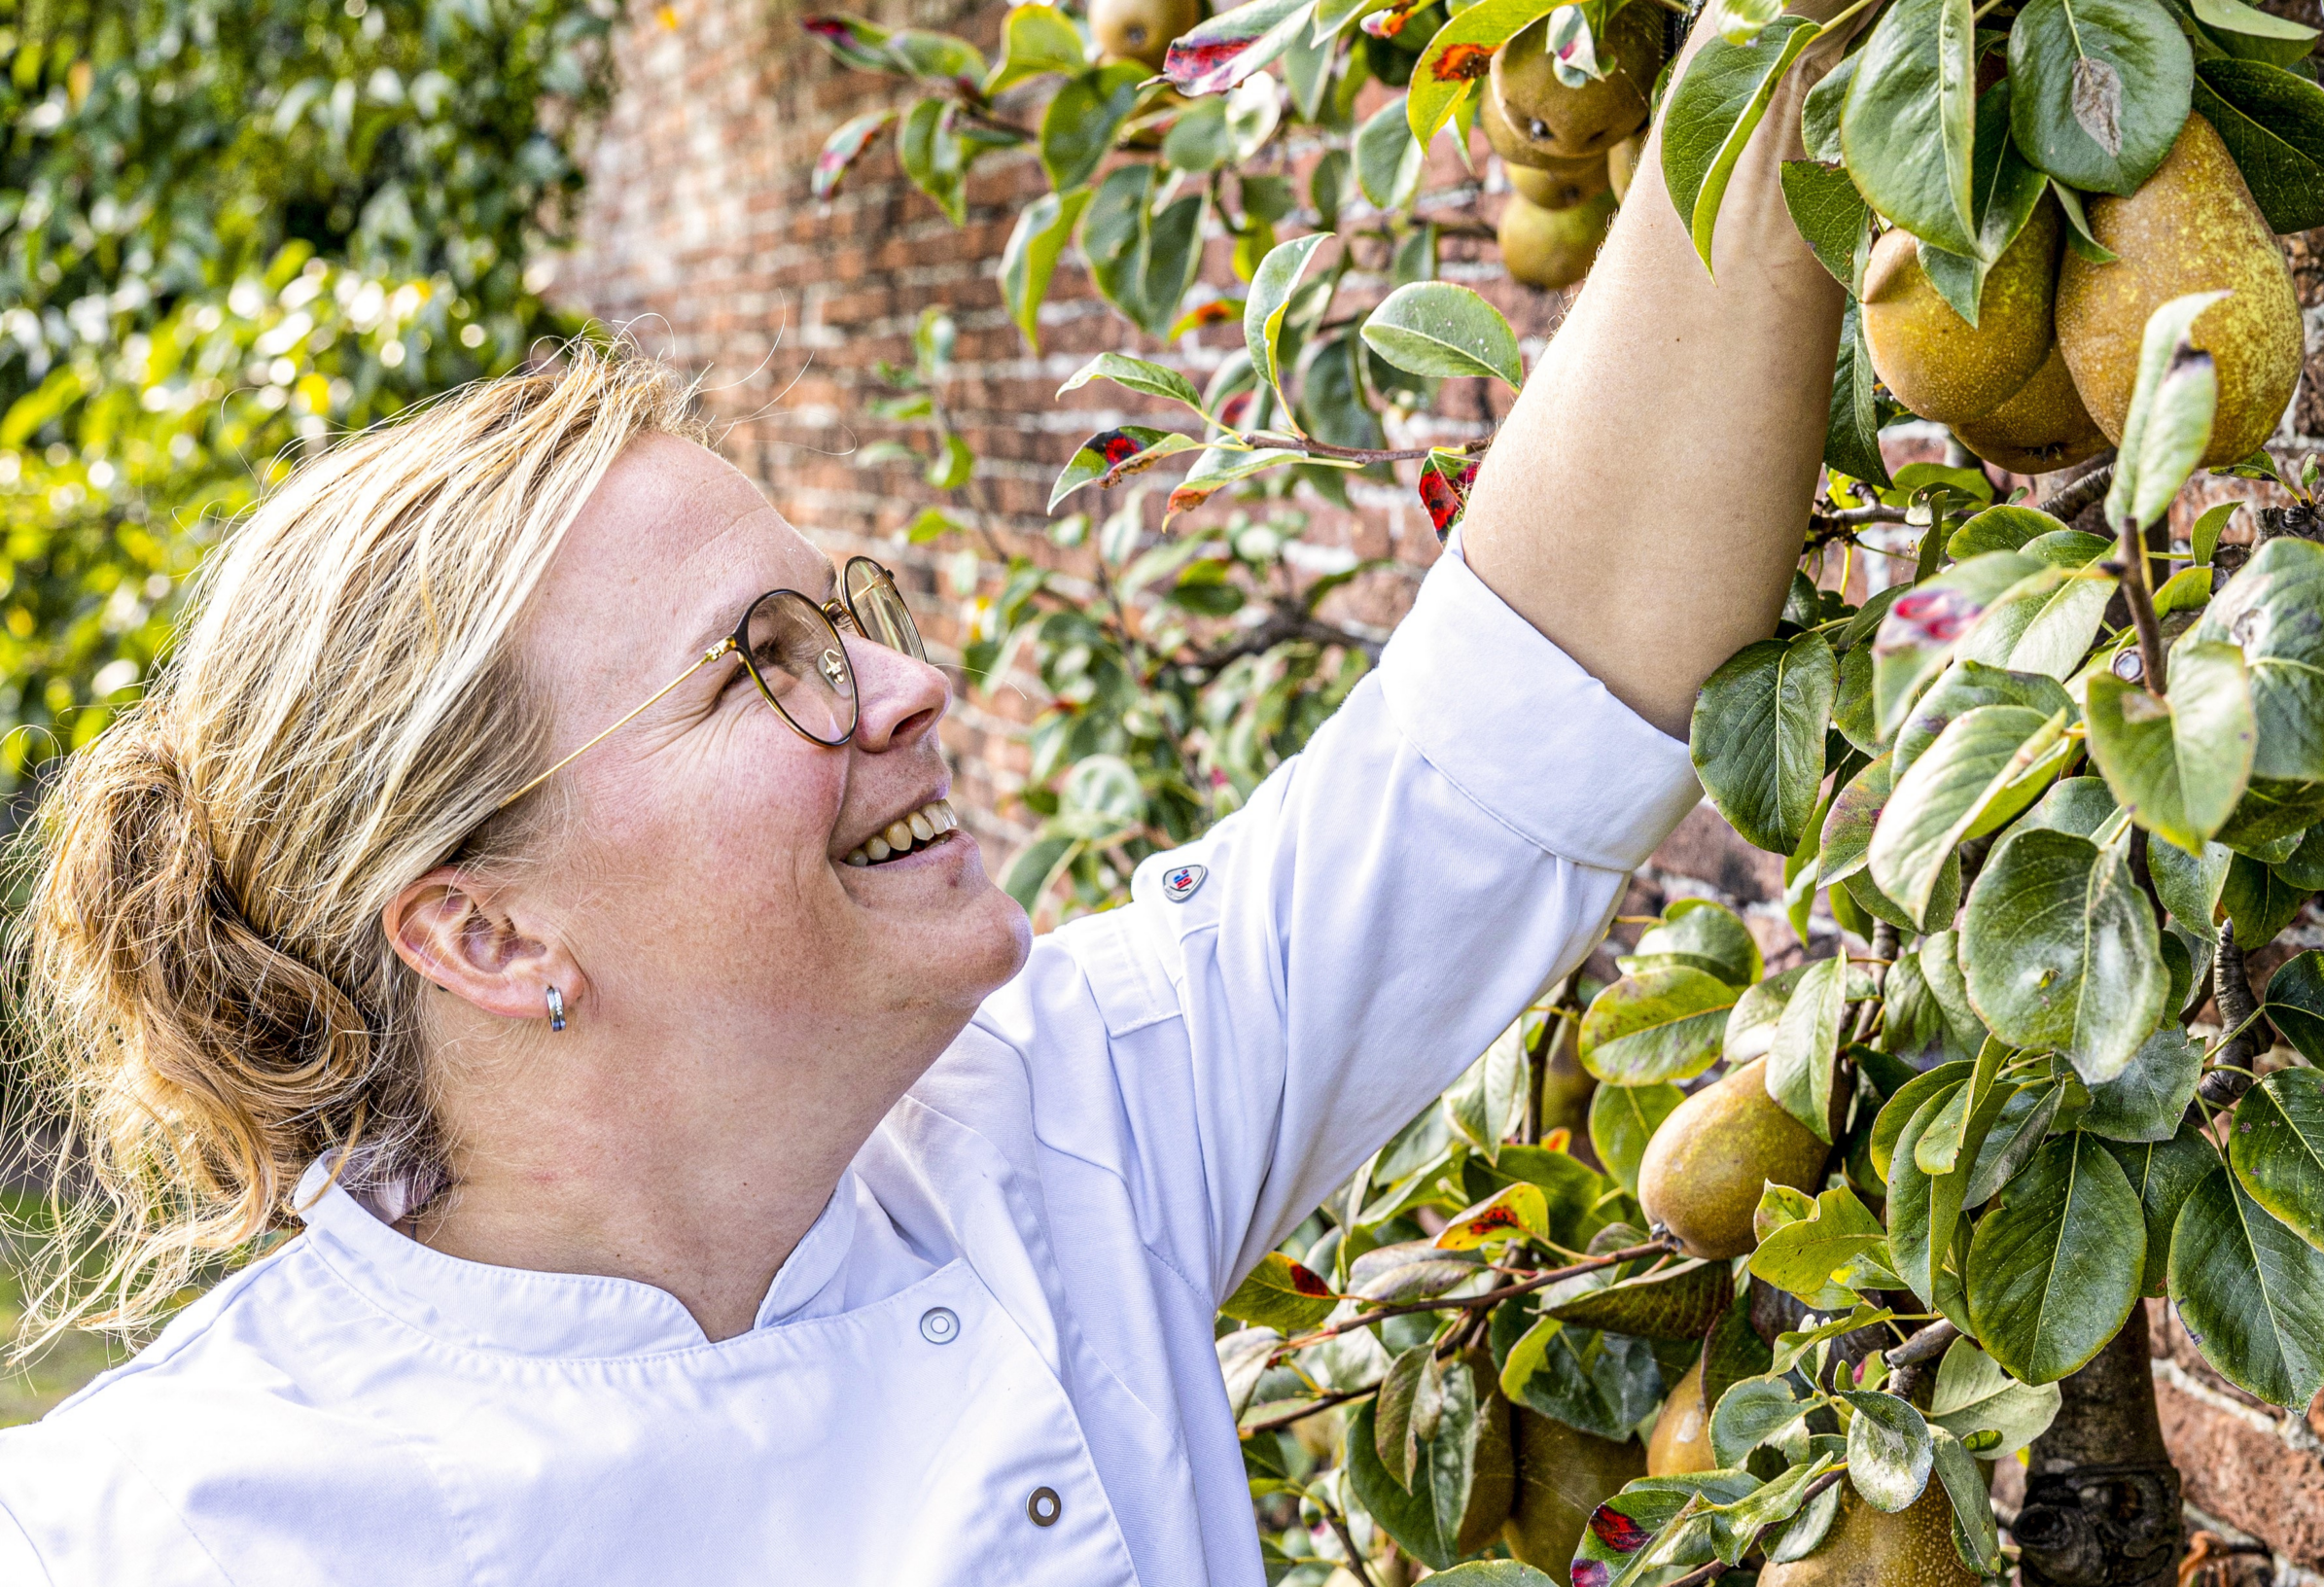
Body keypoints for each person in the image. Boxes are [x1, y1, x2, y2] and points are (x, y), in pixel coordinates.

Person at [0, 2, 1849, 1580]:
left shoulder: (1047, 1132)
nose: (912, 688)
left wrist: (1797, 47)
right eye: (761, 663)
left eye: (845, 617)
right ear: (483, 931)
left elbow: (1519, 711)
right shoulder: (170, 1525)